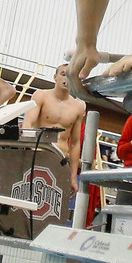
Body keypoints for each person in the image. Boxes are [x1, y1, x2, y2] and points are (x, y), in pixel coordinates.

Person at [23, 64, 86, 192]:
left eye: (71, 76)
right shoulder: (41, 96)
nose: (66, 79)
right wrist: (29, 151)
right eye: (63, 74)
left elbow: (75, 143)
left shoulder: (78, 107)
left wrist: (73, 177)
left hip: (59, 159)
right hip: (37, 155)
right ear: (55, 77)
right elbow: (27, 124)